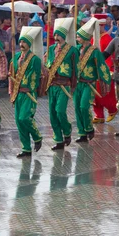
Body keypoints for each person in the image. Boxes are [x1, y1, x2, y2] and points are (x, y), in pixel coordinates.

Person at [74, 18, 112, 143]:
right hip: (78, 83)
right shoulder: (76, 50)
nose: (77, 38)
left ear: (85, 38)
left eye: (79, 36)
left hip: (89, 84)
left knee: (84, 106)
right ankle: (82, 133)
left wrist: (106, 80)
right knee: (77, 108)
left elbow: (102, 66)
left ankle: (89, 128)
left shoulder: (94, 51)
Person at [45, 18, 78, 150]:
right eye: (55, 35)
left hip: (64, 85)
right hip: (52, 85)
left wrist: (74, 85)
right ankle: (58, 140)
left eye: (59, 35)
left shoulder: (72, 50)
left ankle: (67, 130)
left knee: (60, 111)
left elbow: (76, 69)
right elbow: (47, 65)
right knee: (52, 113)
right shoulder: (51, 48)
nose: (56, 37)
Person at [10, 27, 43, 158]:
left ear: (29, 44)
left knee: (25, 118)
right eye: (20, 42)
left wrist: (28, 86)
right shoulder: (16, 56)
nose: (21, 45)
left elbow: (34, 75)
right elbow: (12, 71)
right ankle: (26, 148)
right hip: (18, 93)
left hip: (28, 93)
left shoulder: (35, 59)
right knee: (19, 121)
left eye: (24, 42)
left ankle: (37, 136)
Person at [92, 14, 118, 123]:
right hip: (93, 70)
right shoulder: (93, 39)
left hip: (102, 71)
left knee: (104, 94)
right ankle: (99, 115)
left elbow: (109, 57)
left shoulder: (107, 39)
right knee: (94, 94)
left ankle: (112, 109)